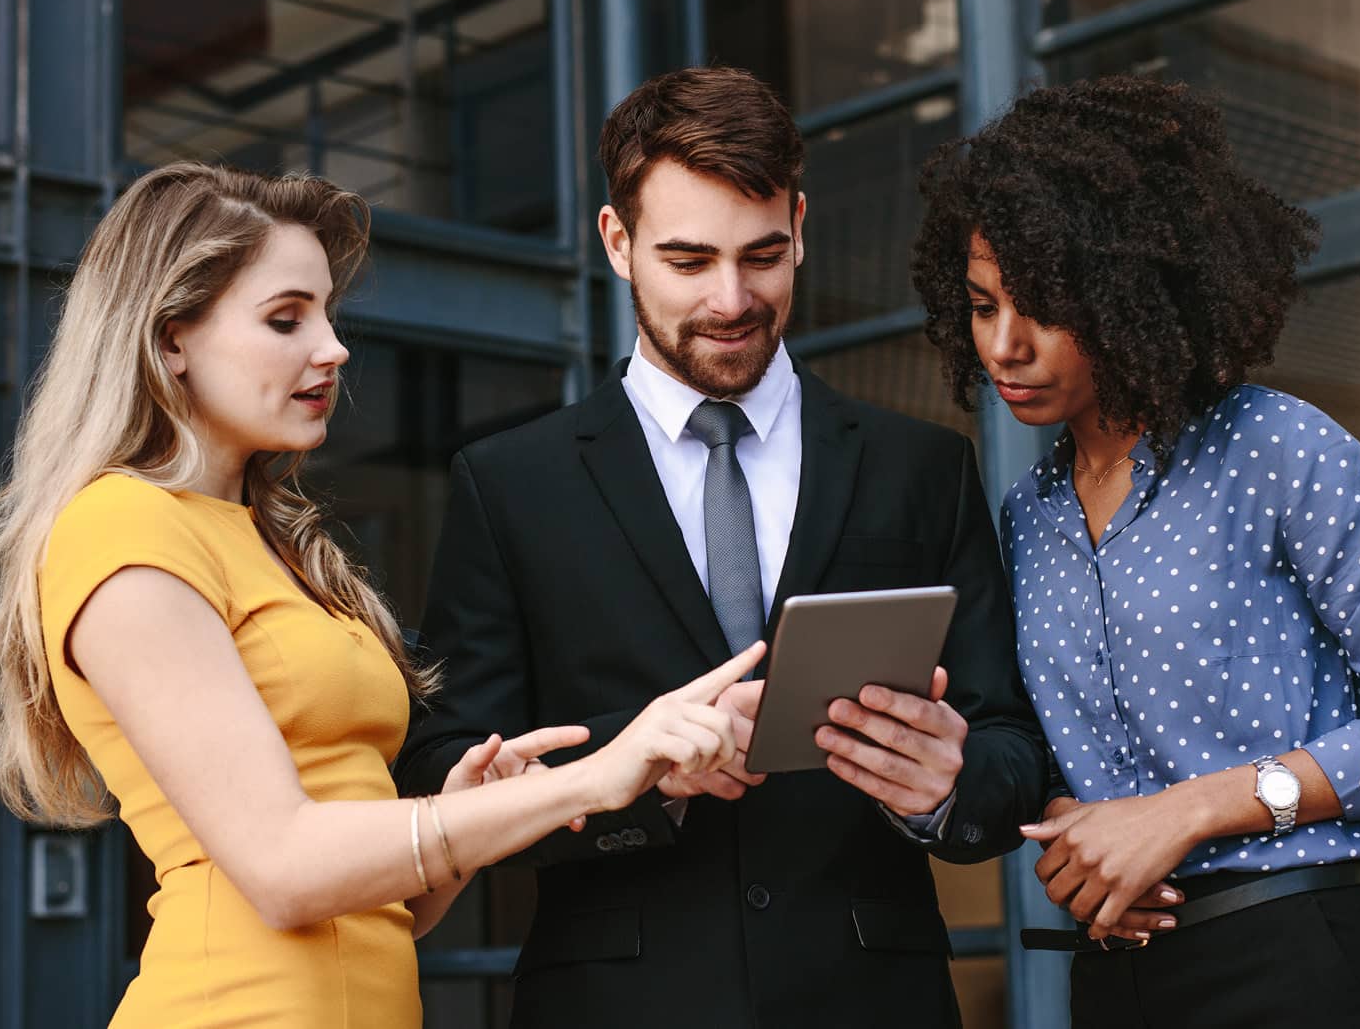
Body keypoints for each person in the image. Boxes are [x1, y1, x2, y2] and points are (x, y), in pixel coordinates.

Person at [0, 162, 758, 1028]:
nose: (333, 347)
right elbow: (283, 867)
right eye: (285, 318)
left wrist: (462, 817)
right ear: (169, 341)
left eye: (327, 313)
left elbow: (389, 908)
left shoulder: (276, 546)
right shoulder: (120, 528)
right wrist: (594, 779)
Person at [392, 66, 1052, 1029]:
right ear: (618, 243)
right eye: (690, 260)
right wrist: (629, 777)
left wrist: (948, 788)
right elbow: (444, 767)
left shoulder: (924, 467)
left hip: (873, 1001)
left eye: (763, 255)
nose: (733, 298)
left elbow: (1013, 745)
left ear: (800, 226)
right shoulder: (508, 485)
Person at [908, 76, 1360, 1028]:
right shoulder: (1028, 517)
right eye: (981, 306)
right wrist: (1074, 838)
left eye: (1043, 307)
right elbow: (1067, 770)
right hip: (1114, 979)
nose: (1005, 346)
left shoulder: (1275, 450)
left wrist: (1189, 810)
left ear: (1129, 291)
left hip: (1296, 964)